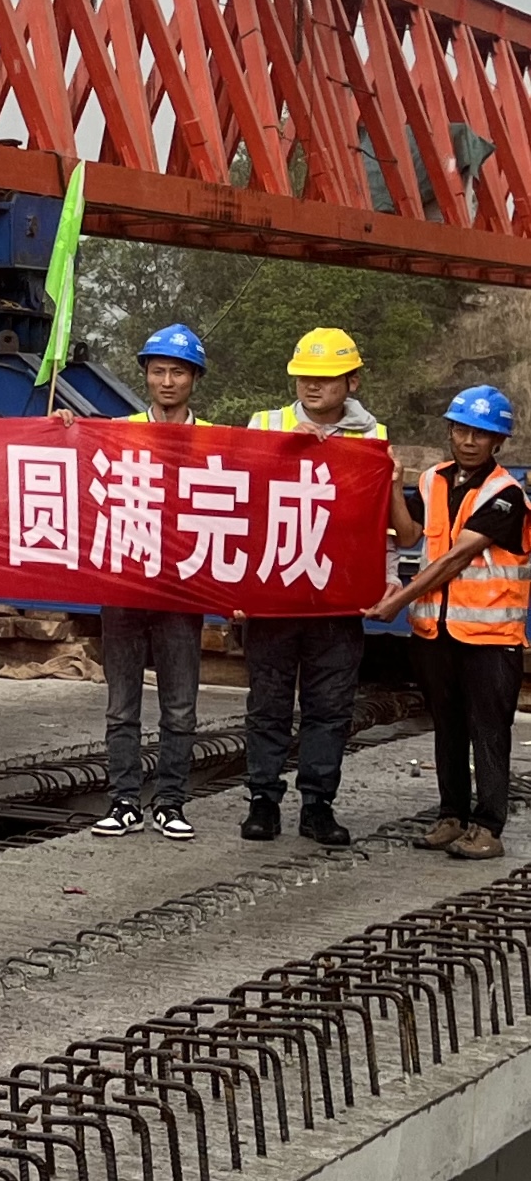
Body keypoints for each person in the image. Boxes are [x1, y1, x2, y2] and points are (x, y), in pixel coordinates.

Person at [369, 385, 524, 861]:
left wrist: (399, 602)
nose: (469, 440)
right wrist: (396, 486)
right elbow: (411, 533)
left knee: (489, 731)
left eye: (482, 433)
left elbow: (456, 558)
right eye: (461, 429)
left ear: (498, 442)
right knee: (448, 728)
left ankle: (488, 826)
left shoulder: (506, 495)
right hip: (437, 633)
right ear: (451, 431)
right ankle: (451, 816)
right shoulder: (435, 481)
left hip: (491, 637)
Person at [241, 326, 379, 848]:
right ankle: (263, 801)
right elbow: (240, 503)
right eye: (303, 377)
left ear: (352, 381)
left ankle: (318, 805)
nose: (311, 387)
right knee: (268, 702)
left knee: (330, 707)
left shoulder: (371, 440)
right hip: (275, 595)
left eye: (324, 378)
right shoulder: (264, 425)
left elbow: (373, 525)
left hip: (336, 601)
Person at [91, 324, 209, 843]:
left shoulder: (214, 442)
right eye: (158, 371)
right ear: (145, 375)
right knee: (122, 703)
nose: (167, 381)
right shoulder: (117, 430)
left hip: (181, 591)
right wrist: (65, 426)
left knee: (180, 704)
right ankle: (122, 800)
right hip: (125, 585)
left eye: (177, 372)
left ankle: (170, 801)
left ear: (193, 379)